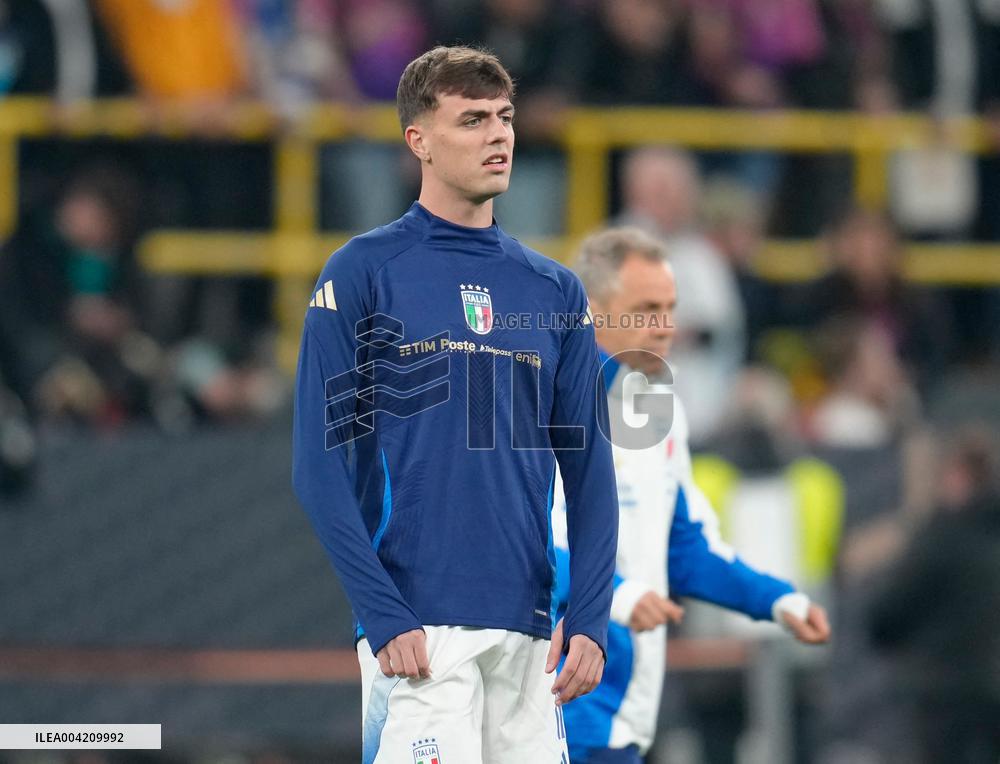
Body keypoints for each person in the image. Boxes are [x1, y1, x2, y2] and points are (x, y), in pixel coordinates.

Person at [291, 46, 619, 764]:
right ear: (419, 141)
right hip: (418, 633)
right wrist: (381, 613)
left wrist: (591, 618)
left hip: (530, 633)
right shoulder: (363, 271)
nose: (498, 134)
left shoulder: (554, 291)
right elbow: (317, 468)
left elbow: (591, 472)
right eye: (472, 120)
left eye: (505, 117)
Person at [551, 227, 831, 764]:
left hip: (623, 706)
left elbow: (684, 545)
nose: (666, 326)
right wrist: (619, 596)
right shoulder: (541, 403)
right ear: (592, 312)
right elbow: (521, 543)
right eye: (646, 309)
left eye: (670, 308)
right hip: (552, 699)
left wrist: (775, 600)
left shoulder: (660, 409)